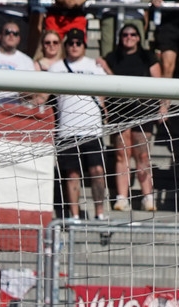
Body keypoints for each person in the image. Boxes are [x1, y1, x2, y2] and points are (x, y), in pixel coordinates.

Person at [48, 29, 108, 222]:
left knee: (97, 171)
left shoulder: (95, 66)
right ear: (65, 46)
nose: (74, 46)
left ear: (84, 45)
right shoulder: (56, 68)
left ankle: (100, 213)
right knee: (72, 174)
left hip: (92, 129)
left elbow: (110, 88)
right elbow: (41, 96)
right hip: (67, 129)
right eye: (71, 43)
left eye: (78, 43)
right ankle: (74, 216)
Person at [103, 23, 160, 213]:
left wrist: (163, 105)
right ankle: (122, 197)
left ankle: (148, 197)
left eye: (133, 34)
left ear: (138, 37)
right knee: (122, 155)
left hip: (143, 110)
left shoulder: (147, 56)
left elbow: (160, 83)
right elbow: (105, 84)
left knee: (142, 155)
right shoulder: (112, 57)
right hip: (119, 111)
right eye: (125, 34)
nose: (129, 37)